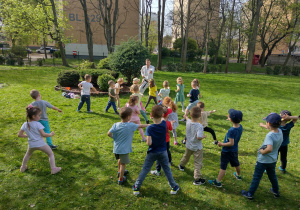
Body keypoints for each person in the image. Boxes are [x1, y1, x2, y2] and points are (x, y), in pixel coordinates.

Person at [132, 105, 180, 195]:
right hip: (163, 152)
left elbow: (149, 143)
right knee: (167, 169)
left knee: (145, 169)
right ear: (162, 115)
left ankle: (136, 187)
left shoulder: (150, 128)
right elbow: (162, 119)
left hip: (152, 152)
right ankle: (174, 187)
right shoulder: (164, 124)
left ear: (151, 115)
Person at [241, 113, 283, 200]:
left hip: (263, 160)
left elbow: (269, 149)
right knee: (272, 176)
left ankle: (250, 194)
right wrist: (263, 126)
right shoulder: (280, 131)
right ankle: (276, 191)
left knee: (256, 177)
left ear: (269, 123)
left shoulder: (270, 135)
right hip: (273, 160)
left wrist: (261, 151)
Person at [107, 107, 149, 185]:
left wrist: (114, 138)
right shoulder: (131, 125)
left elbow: (108, 133)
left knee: (119, 159)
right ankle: (121, 179)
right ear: (128, 117)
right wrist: (149, 125)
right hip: (124, 149)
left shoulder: (115, 124)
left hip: (116, 148)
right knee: (123, 164)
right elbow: (140, 126)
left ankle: (119, 172)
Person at [18, 105, 61, 174]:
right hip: (41, 144)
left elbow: (19, 135)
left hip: (31, 145)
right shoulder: (38, 124)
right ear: (33, 116)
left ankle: (23, 167)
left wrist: (28, 135)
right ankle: (53, 169)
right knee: (50, 154)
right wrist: (50, 134)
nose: (40, 116)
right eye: (39, 115)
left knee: (28, 154)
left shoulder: (25, 124)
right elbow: (43, 134)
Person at [208, 109, 243, 187]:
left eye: (229, 115)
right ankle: (238, 175)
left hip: (227, 151)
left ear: (230, 119)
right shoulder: (240, 127)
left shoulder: (231, 130)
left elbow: (231, 143)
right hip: (235, 150)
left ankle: (218, 182)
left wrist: (221, 144)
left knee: (223, 167)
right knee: (236, 163)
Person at [178, 106, 206, 185]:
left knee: (186, 156)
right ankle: (197, 179)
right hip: (197, 147)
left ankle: (181, 165)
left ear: (191, 114)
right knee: (198, 163)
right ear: (200, 115)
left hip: (188, 145)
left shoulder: (188, 122)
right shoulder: (199, 126)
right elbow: (199, 137)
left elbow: (187, 119)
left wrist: (186, 116)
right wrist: (203, 136)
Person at [150, 106, 173, 176]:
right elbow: (171, 129)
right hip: (166, 141)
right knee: (167, 151)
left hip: (159, 142)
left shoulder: (157, 123)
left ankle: (158, 171)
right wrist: (171, 123)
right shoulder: (168, 123)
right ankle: (169, 161)